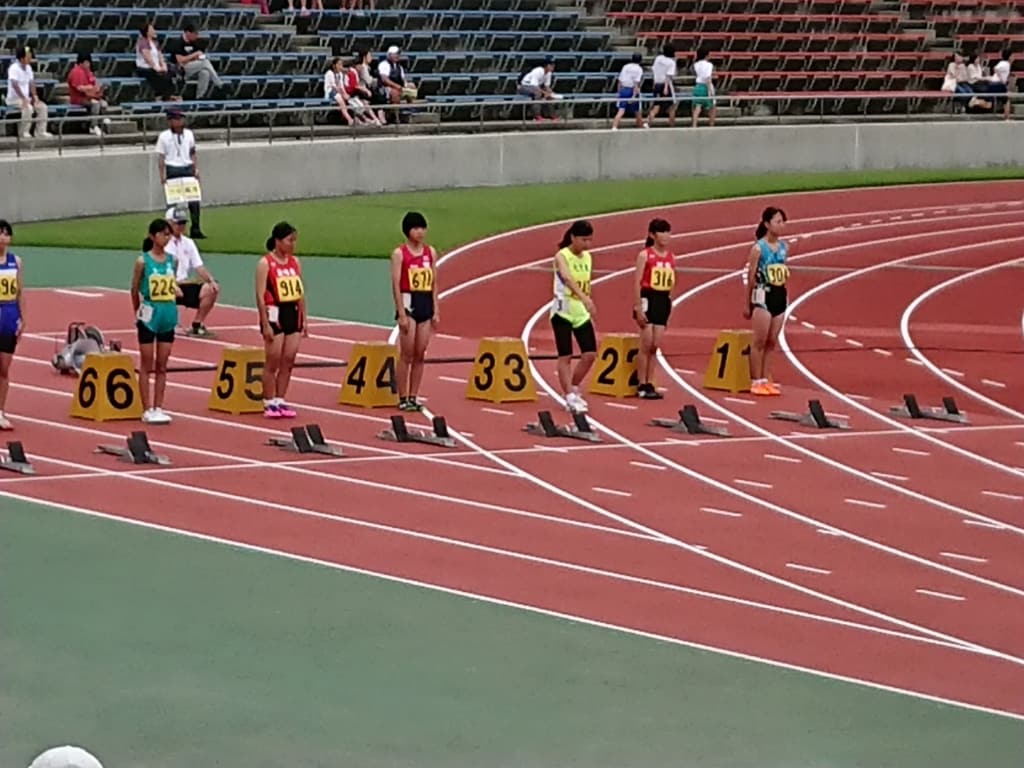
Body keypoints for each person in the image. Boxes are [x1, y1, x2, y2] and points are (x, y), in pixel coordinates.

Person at [130, 218, 181, 424]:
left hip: (168, 313)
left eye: (169, 234)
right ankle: (145, 408)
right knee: (146, 363)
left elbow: (172, 285)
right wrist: (137, 311)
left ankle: (158, 406)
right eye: (162, 234)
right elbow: (134, 288)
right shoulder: (143, 261)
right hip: (149, 314)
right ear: (153, 236)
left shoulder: (172, 260)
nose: (166, 238)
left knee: (162, 364)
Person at [256, 222, 306, 419]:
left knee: (289, 358)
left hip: (293, 312)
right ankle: (268, 401)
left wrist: (305, 319)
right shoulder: (265, 263)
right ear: (278, 241)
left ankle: (280, 398)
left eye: (295, 240)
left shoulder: (295, 262)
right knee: (273, 359)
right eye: (289, 240)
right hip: (273, 312)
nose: (293, 244)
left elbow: (301, 293)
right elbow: (259, 295)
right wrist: (264, 323)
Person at [390, 211, 438, 412]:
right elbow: (396, 284)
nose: (420, 232)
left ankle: (413, 396)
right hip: (409, 304)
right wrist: (401, 312)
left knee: (420, 352)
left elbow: (434, 282)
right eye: (415, 228)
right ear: (408, 231)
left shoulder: (430, 253)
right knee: (407, 353)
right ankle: (402, 396)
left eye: (422, 228)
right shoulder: (400, 254)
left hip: (425, 302)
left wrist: (436, 309)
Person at [551, 220, 598, 414]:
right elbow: (567, 277)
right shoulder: (562, 256)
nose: (587, 244)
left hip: (580, 311)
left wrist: (585, 303)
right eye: (583, 240)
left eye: (590, 240)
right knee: (566, 355)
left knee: (590, 354)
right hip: (563, 310)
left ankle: (573, 387)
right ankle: (569, 395)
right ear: (573, 237)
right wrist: (584, 297)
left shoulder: (588, 257)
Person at [743, 206, 790, 397]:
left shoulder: (785, 247)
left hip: (779, 294)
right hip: (763, 295)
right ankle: (755, 381)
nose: (781, 225)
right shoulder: (758, 248)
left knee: (772, 341)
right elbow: (751, 276)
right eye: (778, 221)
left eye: (783, 222)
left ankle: (765, 378)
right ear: (767, 224)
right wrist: (747, 303)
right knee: (759, 341)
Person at [633, 218, 675, 400]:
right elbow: (637, 283)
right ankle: (642, 383)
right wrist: (638, 307)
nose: (666, 236)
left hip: (663, 300)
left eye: (668, 232)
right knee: (646, 343)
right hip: (648, 298)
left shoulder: (672, 257)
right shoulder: (645, 255)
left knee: (655, 345)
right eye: (662, 232)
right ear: (652, 235)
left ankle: (650, 381)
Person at [164, 204, 219, 337]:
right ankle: (171, 323)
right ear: (169, 223)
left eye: (183, 223)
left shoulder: (188, 243)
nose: (181, 226)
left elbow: (198, 266)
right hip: (167, 283)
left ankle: (197, 324)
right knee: (166, 287)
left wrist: (211, 280)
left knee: (210, 289)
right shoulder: (163, 242)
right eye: (178, 223)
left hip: (184, 283)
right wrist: (171, 283)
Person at [0, 220, 24, 430]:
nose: (3, 238)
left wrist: (22, 318)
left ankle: (0, 411)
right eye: (0, 234)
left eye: (6, 234)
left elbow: (20, 292)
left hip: (9, 315)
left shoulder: (15, 261)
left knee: (4, 368)